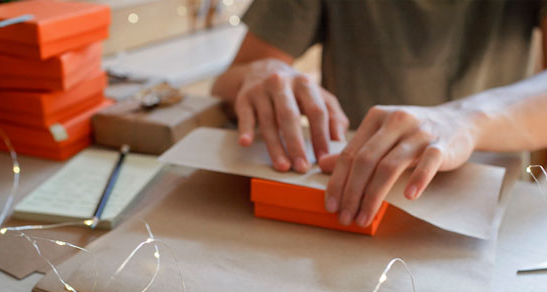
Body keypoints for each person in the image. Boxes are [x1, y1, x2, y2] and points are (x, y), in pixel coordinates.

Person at [212, 0, 547, 228]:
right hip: (344, 210)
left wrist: (463, 119)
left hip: (495, 213)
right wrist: (262, 73)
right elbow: (228, 84)